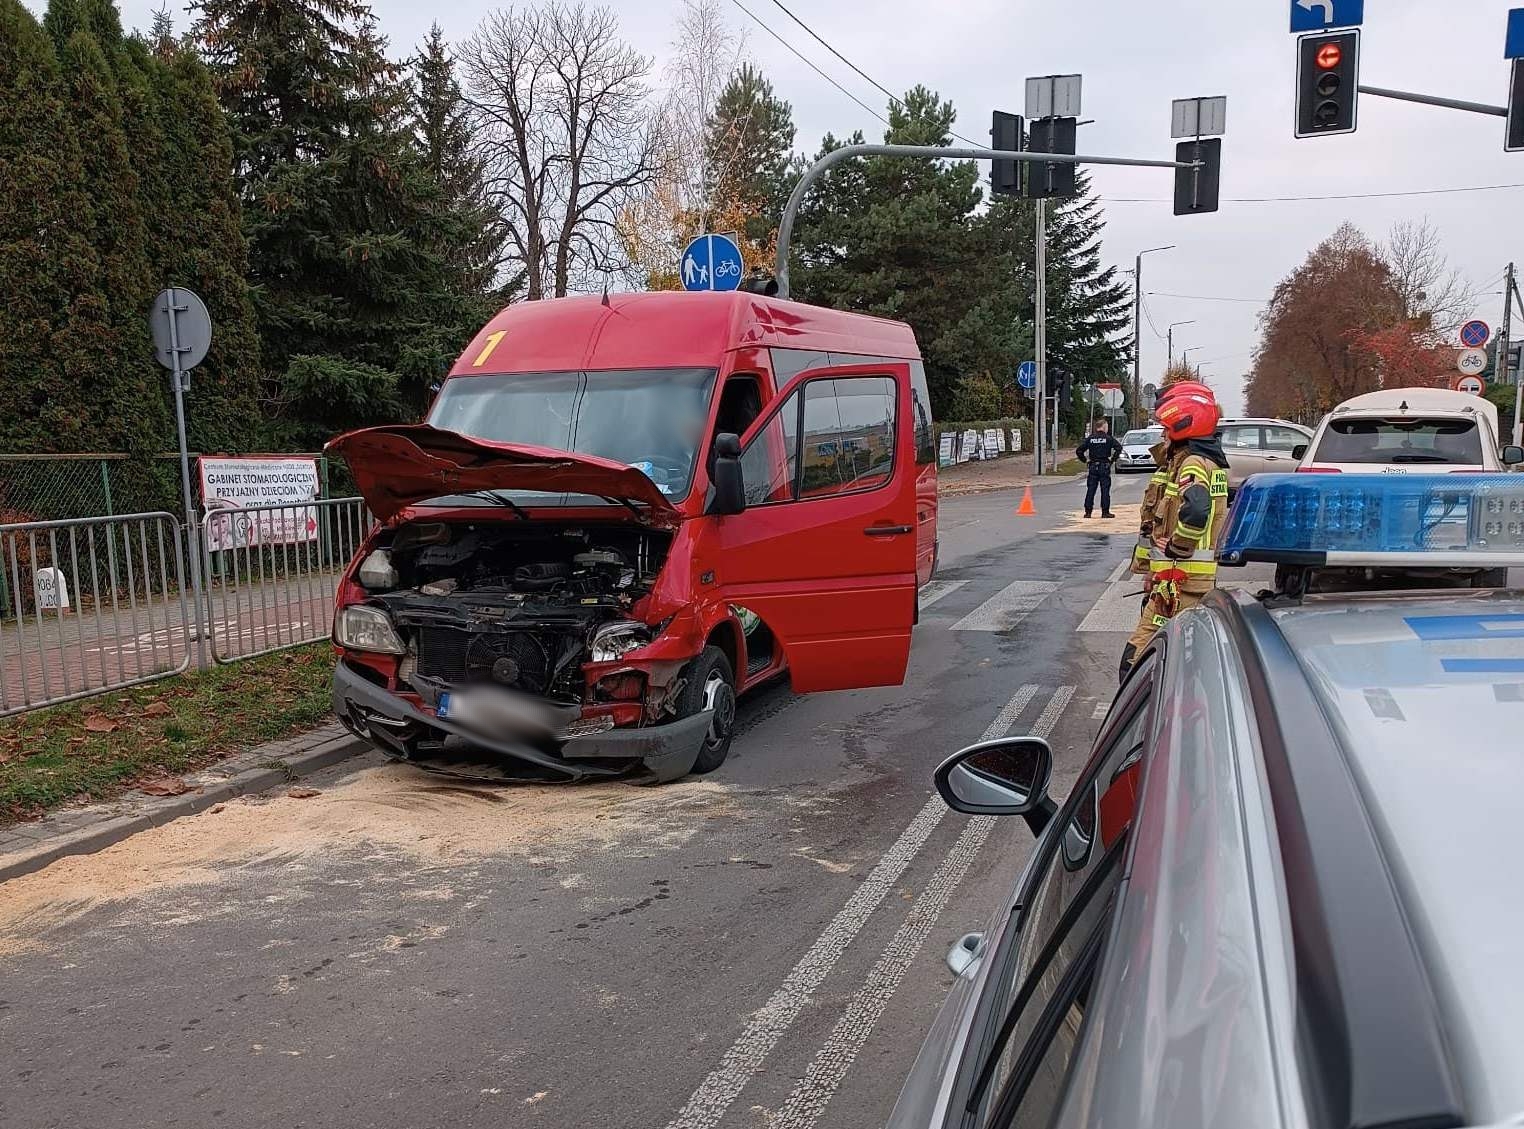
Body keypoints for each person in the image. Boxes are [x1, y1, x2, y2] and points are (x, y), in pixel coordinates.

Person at [1120, 384, 1230, 681]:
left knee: (1137, 663)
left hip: (1179, 583)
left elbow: (1196, 509)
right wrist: (1149, 571)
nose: (1162, 436)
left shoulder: (1192, 463)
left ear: (1183, 428)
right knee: (1174, 661)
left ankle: (1149, 724)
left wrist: (1177, 548)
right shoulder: (1192, 460)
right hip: (1176, 580)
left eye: (1166, 430)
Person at [1076, 419, 1124, 518]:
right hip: (1104, 465)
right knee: (1105, 489)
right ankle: (1105, 512)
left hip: (1093, 466)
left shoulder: (1090, 438)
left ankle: (1088, 512)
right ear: (1103, 427)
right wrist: (1112, 460)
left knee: (1091, 489)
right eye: (1107, 427)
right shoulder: (1108, 438)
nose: (1107, 429)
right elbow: (1118, 448)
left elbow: (1079, 451)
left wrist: (1085, 460)